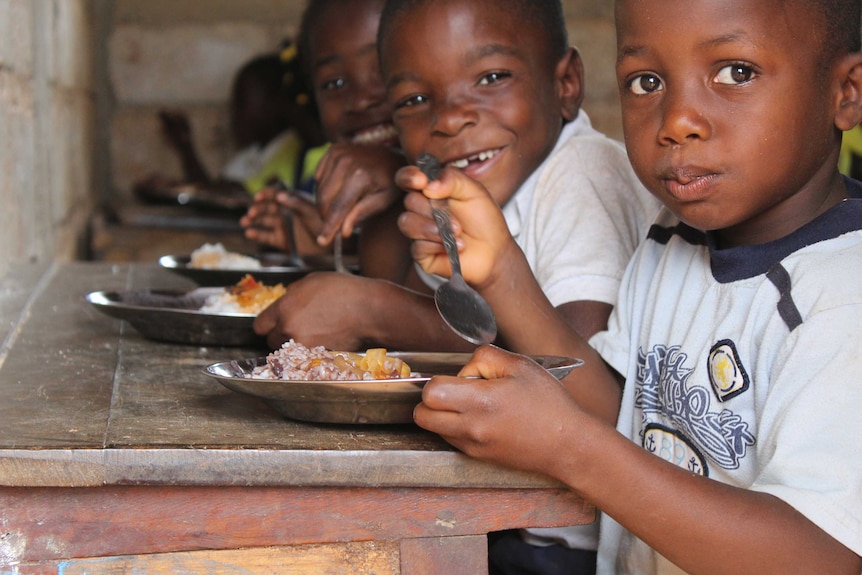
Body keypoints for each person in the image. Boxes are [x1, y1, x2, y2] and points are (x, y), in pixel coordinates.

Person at [400, 0, 862, 573]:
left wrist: (570, 448)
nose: (676, 121)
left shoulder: (845, 295)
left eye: (735, 73)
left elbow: (822, 556)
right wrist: (500, 272)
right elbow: (621, 412)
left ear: (847, 93)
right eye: (646, 82)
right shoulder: (675, 241)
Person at [258, 0, 661, 572]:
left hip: (560, 544)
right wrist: (390, 195)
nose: (450, 117)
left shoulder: (582, 178)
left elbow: (574, 379)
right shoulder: (478, 182)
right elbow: (399, 281)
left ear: (566, 82)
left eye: (491, 77)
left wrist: (379, 311)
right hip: (504, 515)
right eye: (415, 100)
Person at [239, 0, 412, 277]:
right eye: (334, 84)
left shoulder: (479, 172)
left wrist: (399, 173)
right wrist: (326, 247)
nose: (360, 100)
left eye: (382, 67)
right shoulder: (329, 178)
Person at [135, 43, 326, 217]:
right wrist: (184, 154)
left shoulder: (292, 148)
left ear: (275, 103)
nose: (234, 113)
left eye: (242, 102)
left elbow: (236, 196)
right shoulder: (254, 153)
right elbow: (217, 193)